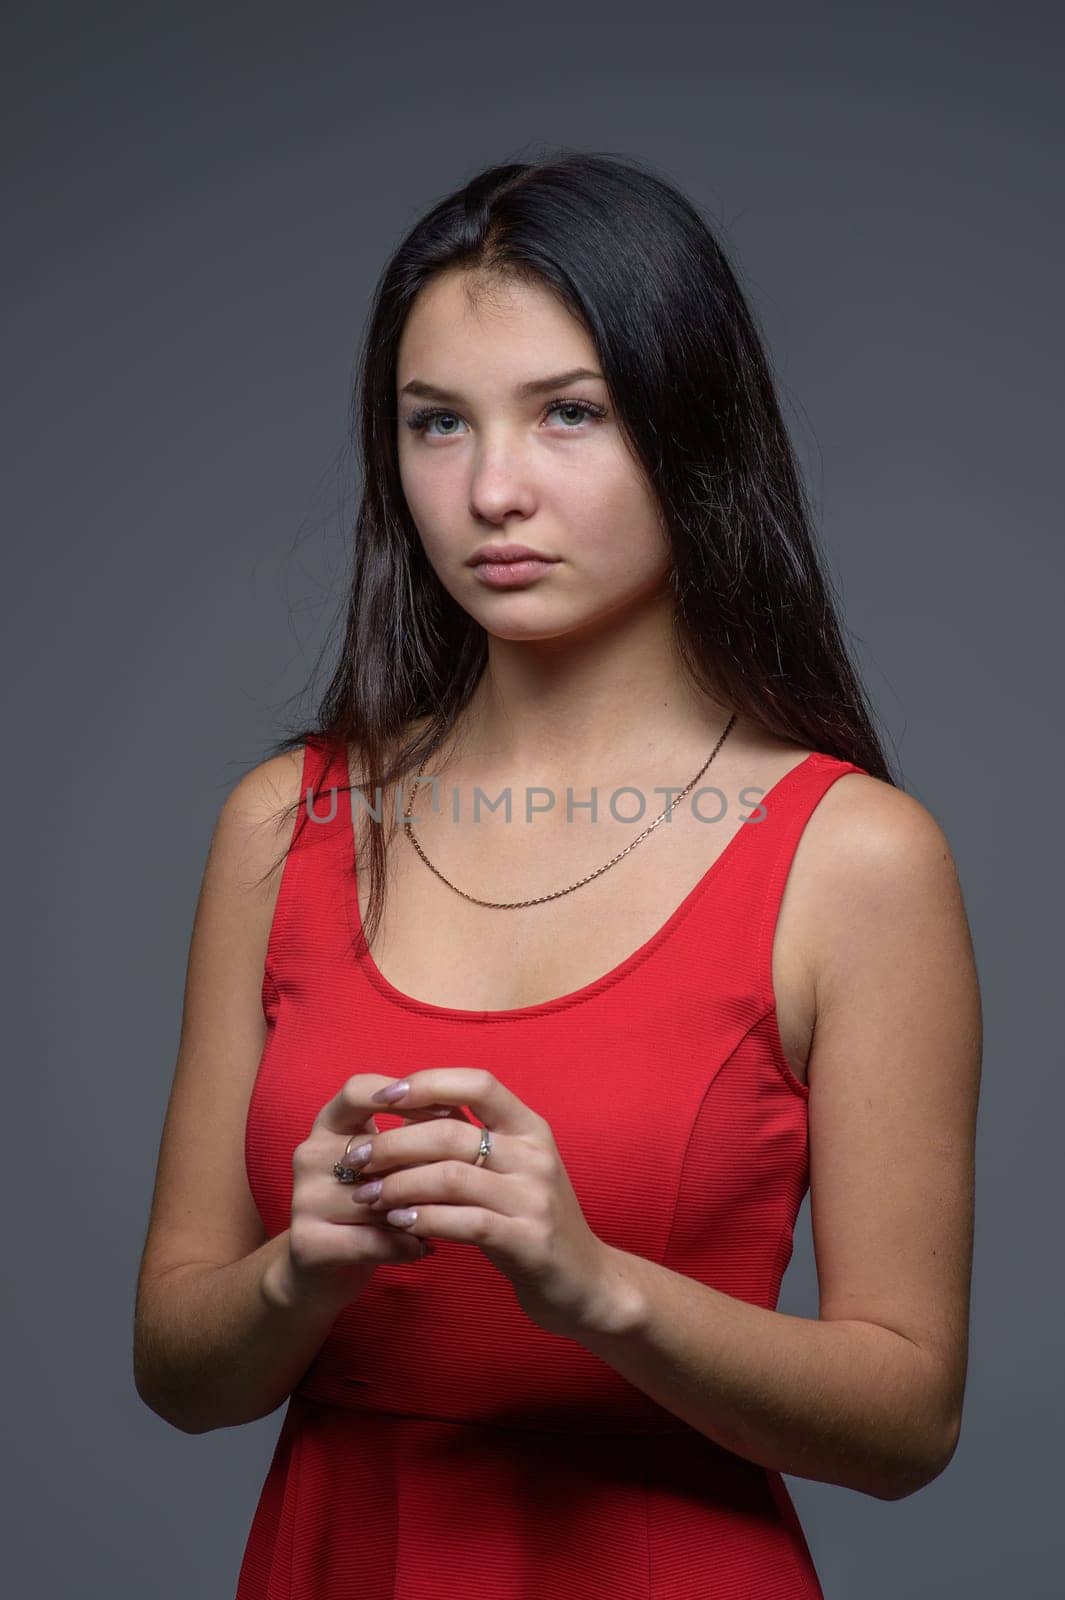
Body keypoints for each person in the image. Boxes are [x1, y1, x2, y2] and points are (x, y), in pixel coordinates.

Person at [133, 151, 982, 1598]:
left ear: (691, 428)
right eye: (436, 425)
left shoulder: (853, 860)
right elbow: (179, 1371)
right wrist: (301, 1271)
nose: (491, 489)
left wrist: (597, 1290)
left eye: (568, 414)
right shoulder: (285, 823)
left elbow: (907, 1420)